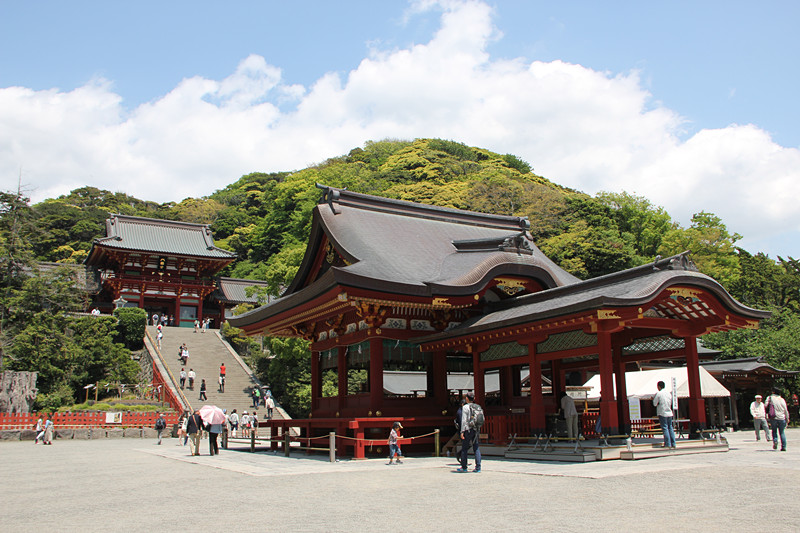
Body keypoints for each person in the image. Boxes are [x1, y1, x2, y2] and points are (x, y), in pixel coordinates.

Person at [457, 392, 481, 473]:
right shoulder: (477, 407)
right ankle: (478, 467)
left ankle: (464, 467)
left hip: (468, 429)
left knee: (464, 448)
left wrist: (462, 431)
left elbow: (464, 421)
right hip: (476, 429)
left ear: (467, 398)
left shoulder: (465, 407)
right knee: (476, 448)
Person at [653, 381, 676, 449]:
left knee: (665, 428)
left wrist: (653, 399)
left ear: (659, 386)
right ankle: (673, 443)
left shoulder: (659, 393)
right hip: (669, 412)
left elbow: (654, 403)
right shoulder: (669, 394)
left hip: (662, 412)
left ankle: (667, 443)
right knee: (670, 427)